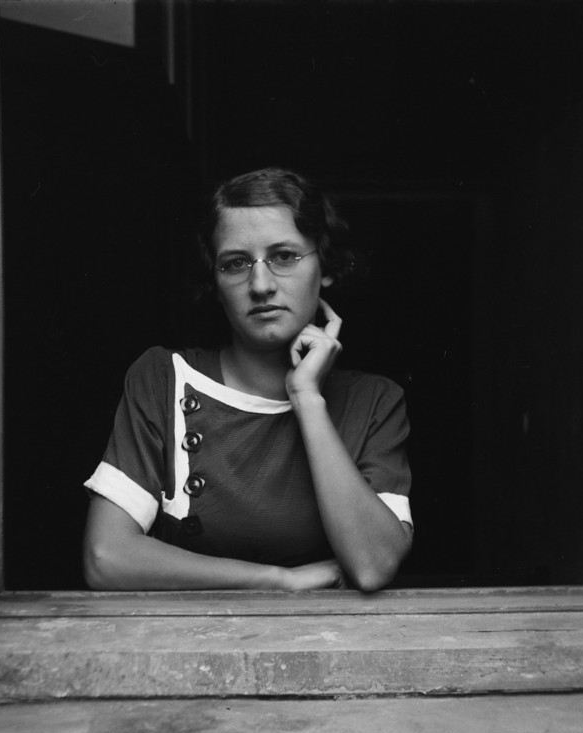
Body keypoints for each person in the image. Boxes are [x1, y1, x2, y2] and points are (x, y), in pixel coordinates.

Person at [82, 168, 413, 592]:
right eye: (236, 263)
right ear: (216, 283)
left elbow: (372, 565)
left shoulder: (374, 401)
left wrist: (306, 396)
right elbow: (106, 558)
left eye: (284, 256)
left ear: (325, 266)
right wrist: (279, 580)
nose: (260, 285)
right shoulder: (164, 377)